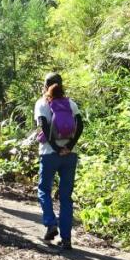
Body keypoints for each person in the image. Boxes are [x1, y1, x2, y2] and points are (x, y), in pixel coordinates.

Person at [34, 72, 83, 250]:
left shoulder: (42, 103)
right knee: (65, 197)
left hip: (49, 154)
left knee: (43, 190)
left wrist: (55, 147)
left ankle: (50, 223)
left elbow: (44, 126)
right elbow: (80, 125)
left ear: (46, 85)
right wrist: (69, 147)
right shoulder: (71, 103)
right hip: (70, 156)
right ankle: (67, 238)